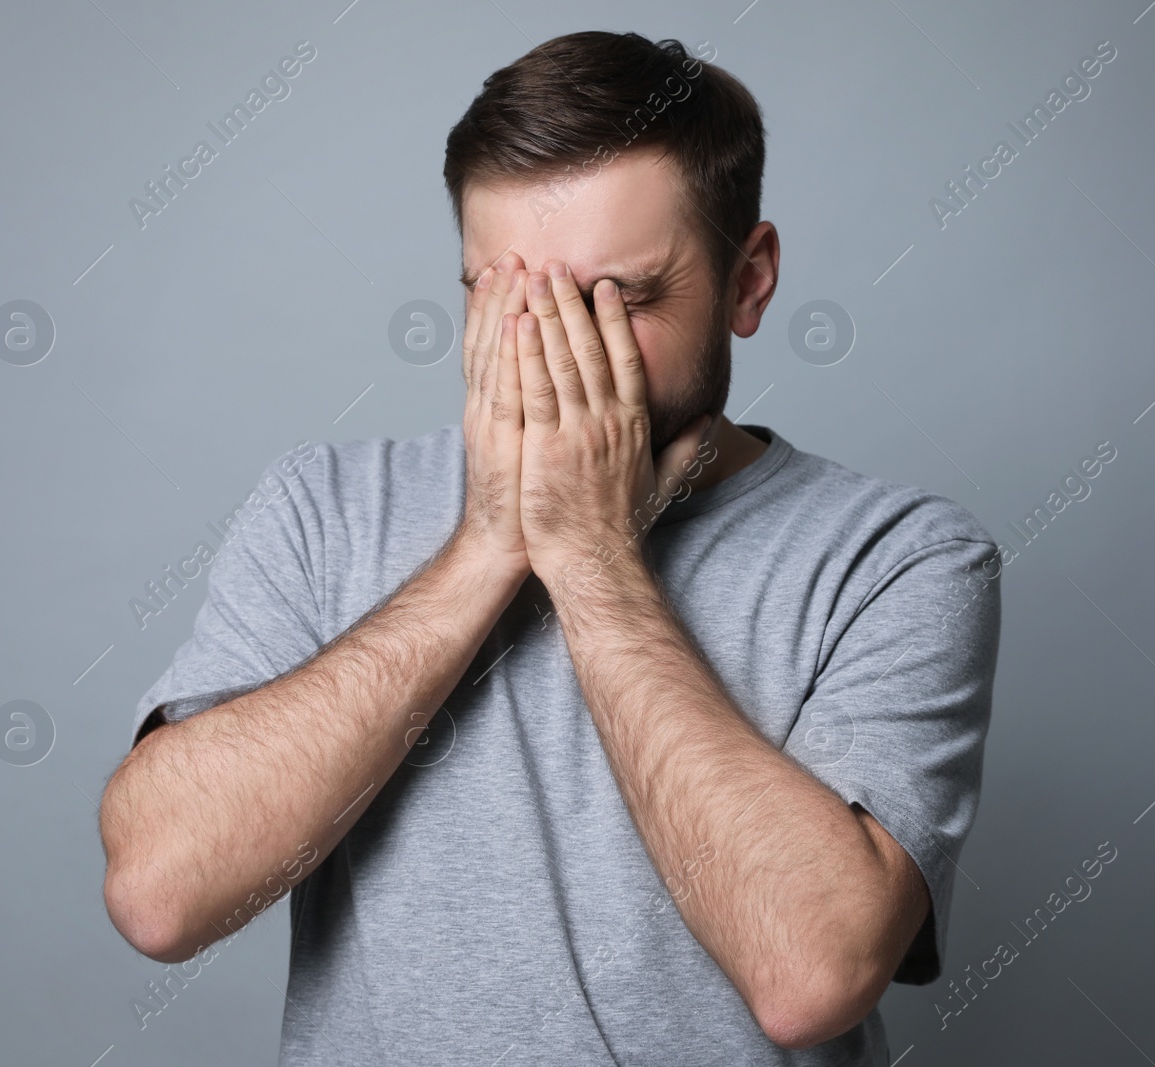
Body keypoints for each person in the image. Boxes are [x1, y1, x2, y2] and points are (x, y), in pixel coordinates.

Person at [98, 29, 1001, 1066]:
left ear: (748, 282)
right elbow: (161, 897)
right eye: (508, 299)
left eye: (617, 299)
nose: (562, 353)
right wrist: (489, 542)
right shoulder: (323, 507)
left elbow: (812, 975)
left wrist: (591, 556)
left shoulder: (897, 557)